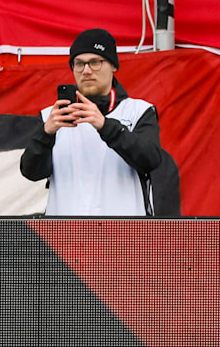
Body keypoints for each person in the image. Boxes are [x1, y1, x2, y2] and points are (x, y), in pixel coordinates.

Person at [20, 28, 164, 215]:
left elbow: (150, 160)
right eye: (79, 63)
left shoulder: (139, 111)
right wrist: (45, 134)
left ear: (113, 65)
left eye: (95, 62)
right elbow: (32, 172)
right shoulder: (52, 116)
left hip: (124, 236)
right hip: (65, 237)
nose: (86, 71)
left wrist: (105, 126)